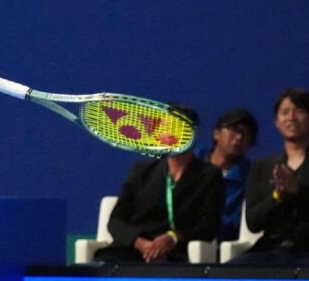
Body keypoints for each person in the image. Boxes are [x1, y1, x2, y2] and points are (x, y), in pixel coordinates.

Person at [94, 105, 224, 263]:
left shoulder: (209, 175)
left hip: (177, 250)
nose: (171, 134)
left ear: (193, 134)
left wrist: (174, 237)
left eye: (179, 128)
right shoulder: (141, 171)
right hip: (134, 248)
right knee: (102, 264)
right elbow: (116, 221)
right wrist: (139, 242)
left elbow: (208, 226)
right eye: (166, 127)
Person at [229, 87, 309, 266]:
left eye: (300, 111)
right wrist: (277, 196)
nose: (291, 117)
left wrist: (297, 191)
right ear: (276, 122)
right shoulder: (261, 167)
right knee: (229, 271)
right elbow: (253, 222)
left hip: (306, 249)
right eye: (285, 112)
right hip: (271, 248)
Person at [196, 108, 258, 241]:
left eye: (247, 134)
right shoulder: (191, 161)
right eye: (234, 129)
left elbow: (236, 223)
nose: (240, 137)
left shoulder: (252, 177)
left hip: (217, 247)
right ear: (216, 133)